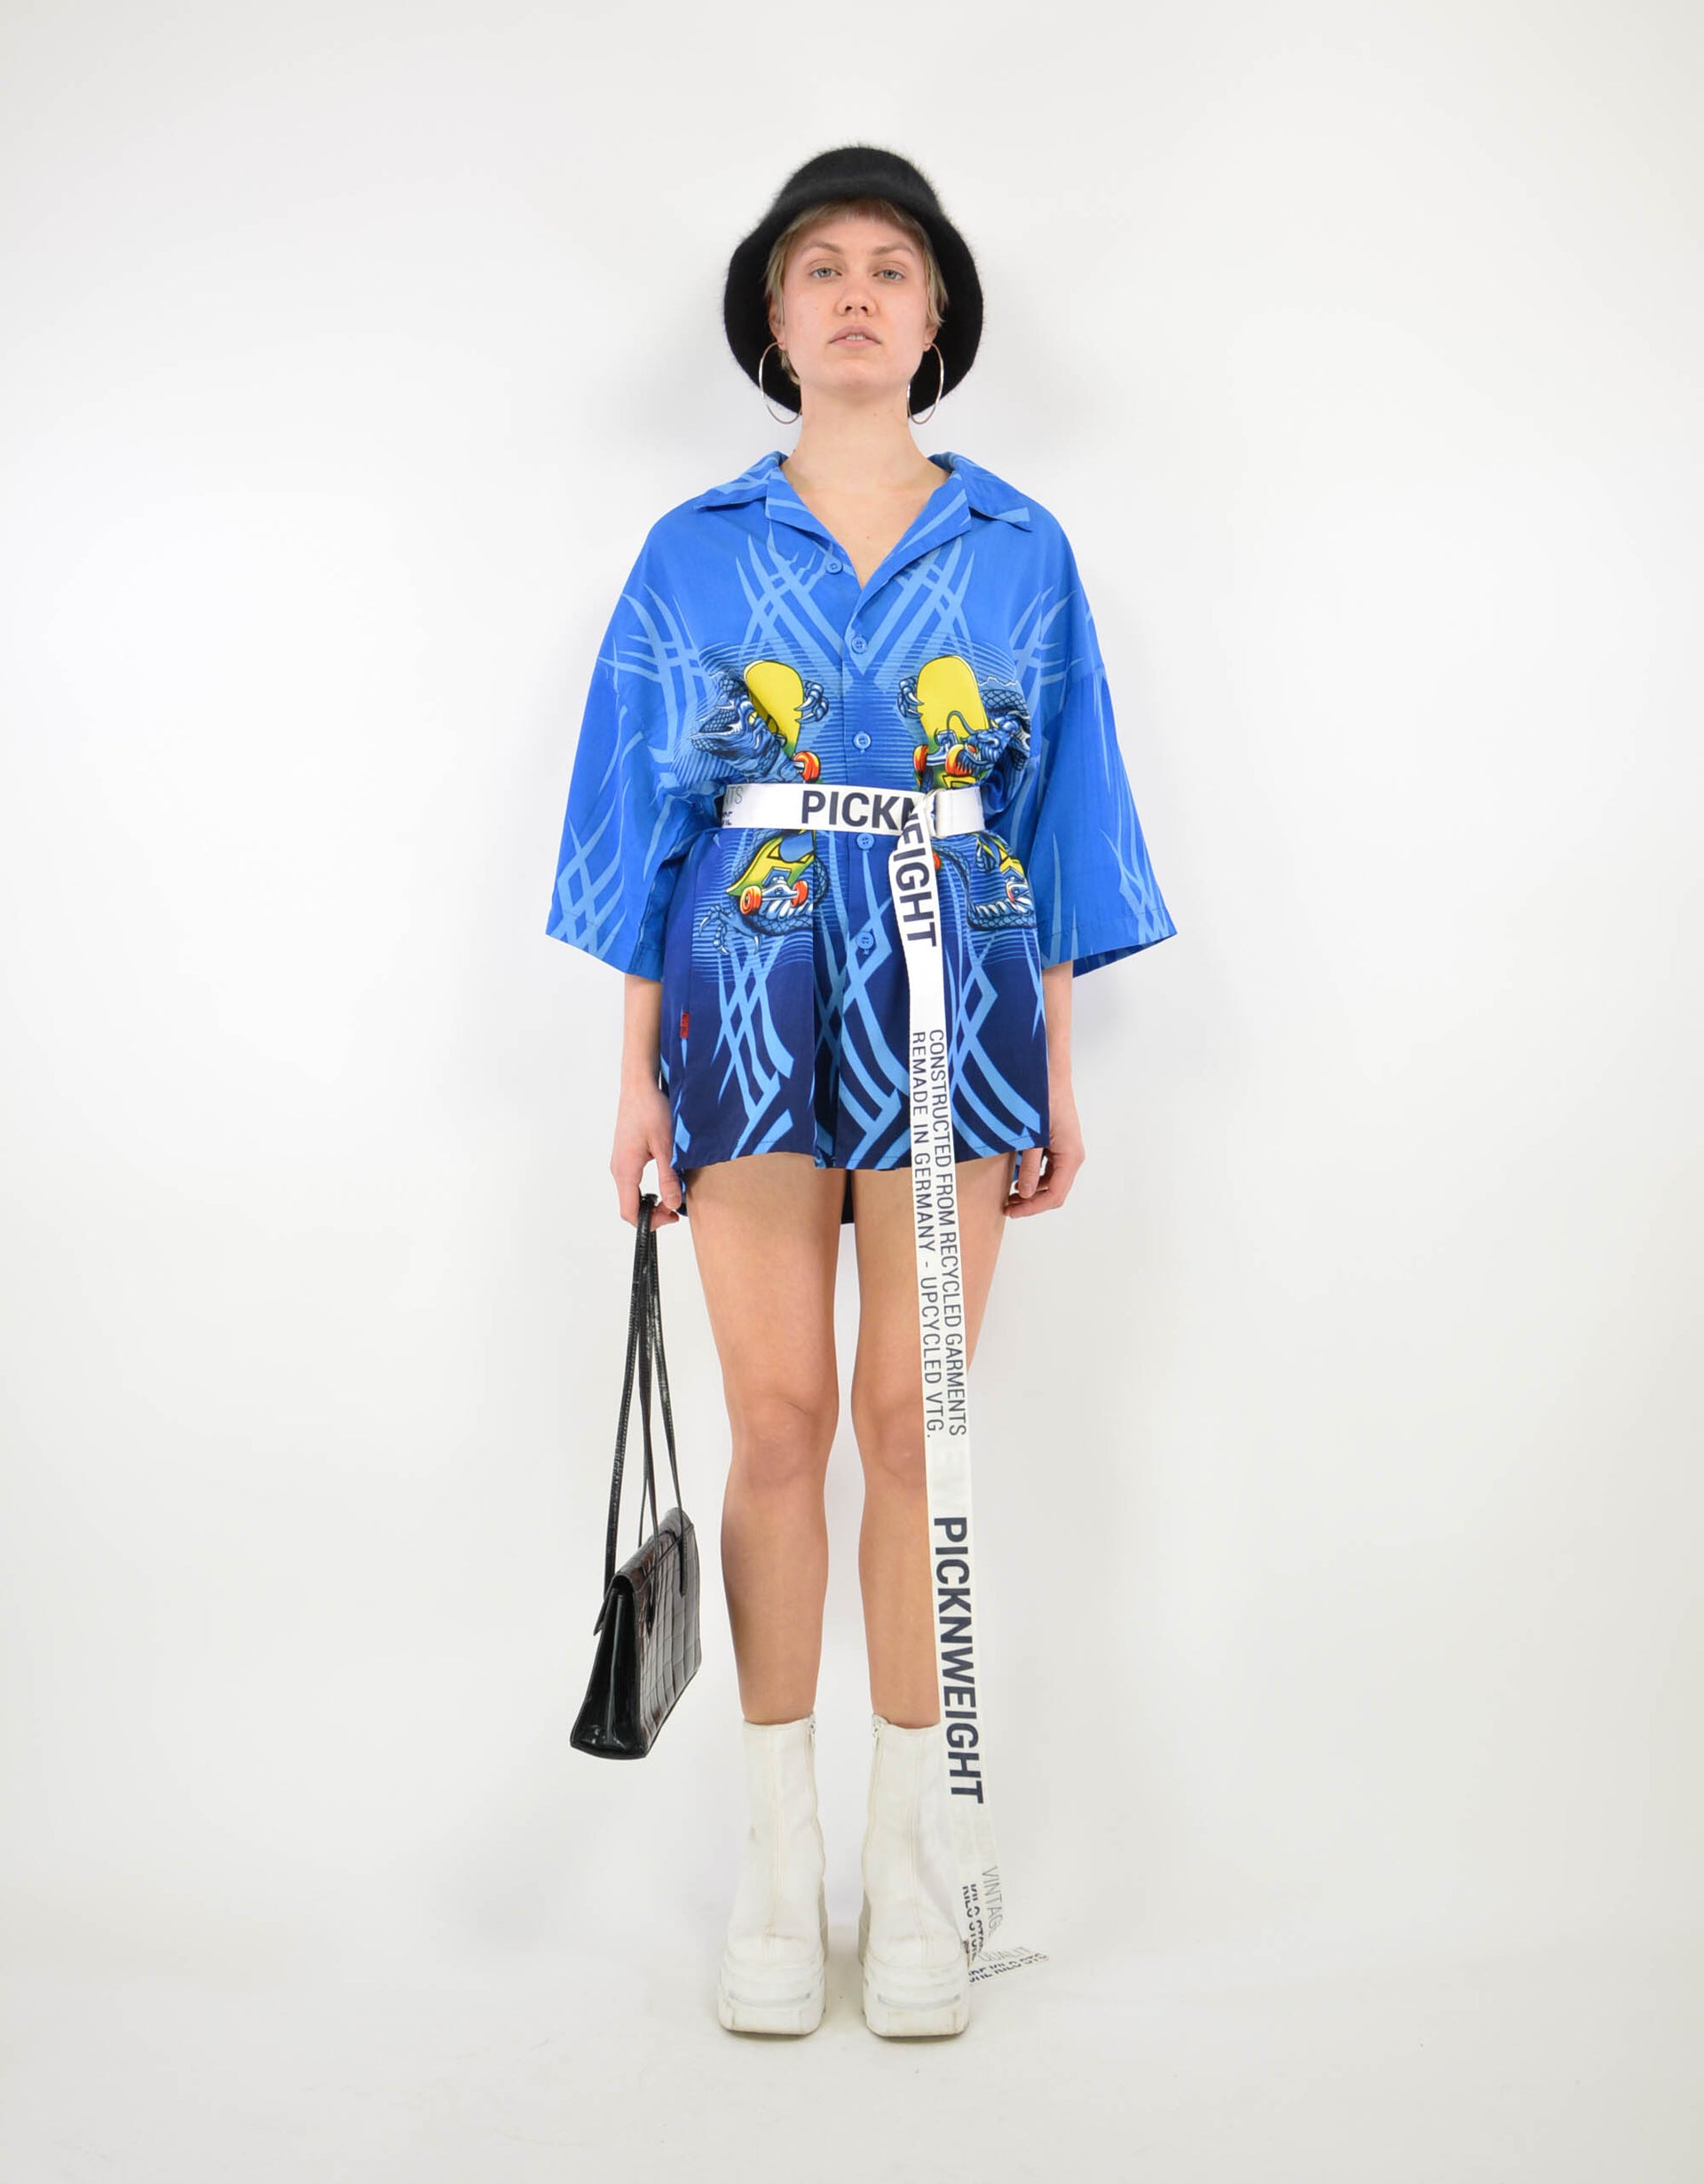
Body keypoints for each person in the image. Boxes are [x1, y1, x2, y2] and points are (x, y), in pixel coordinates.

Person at [545, 145, 1176, 2038]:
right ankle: (776, 1860)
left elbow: (1058, 815)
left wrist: (1053, 1069)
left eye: (891, 267)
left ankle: (908, 1868)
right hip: (742, 991)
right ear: (773, 315)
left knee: (917, 1425)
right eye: (818, 265)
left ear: (935, 317)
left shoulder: (1020, 547)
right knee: (777, 1420)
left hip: (955, 1001)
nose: (853, 293)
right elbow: (639, 819)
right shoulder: (693, 548)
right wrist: (635, 1077)